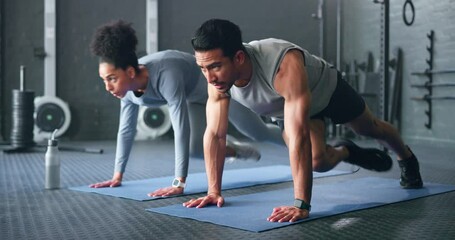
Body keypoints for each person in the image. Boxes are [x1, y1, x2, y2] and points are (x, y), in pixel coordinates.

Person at [183, 19, 423, 222]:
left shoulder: (281, 65)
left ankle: (407, 158)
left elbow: (298, 137)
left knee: (369, 128)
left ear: (238, 58)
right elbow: (215, 134)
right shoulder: (217, 82)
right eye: (203, 68)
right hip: (287, 109)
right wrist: (213, 191)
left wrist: (301, 204)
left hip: (326, 91)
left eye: (215, 66)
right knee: (317, 162)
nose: (209, 77)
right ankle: (346, 152)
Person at [88, 20, 284, 197]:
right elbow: (126, 130)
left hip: (219, 88)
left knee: (259, 133)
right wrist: (117, 176)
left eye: (112, 79)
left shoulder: (166, 73)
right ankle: (237, 150)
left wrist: (178, 183)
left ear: (130, 72)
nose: (108, 87)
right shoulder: (127, 92)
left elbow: (181, 128)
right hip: (195, 98)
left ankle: (292, 136)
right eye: (104, 80)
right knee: (196, 151)